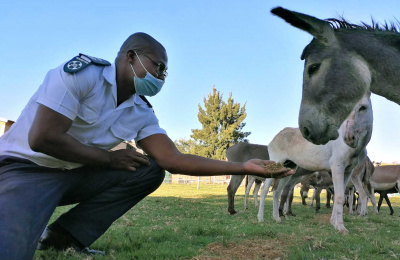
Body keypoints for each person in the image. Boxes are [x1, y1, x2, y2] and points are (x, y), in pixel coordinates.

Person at [0, 32, 293, 260]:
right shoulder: (80, 75)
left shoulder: (141, 110)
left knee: (148, 169)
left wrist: (242, 166)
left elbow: (173, 159)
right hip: (26, 170)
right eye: (159, 66)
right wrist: (108, 159)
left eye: (166, 72)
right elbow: (42, 138)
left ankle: (64, 237)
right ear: (131, 57)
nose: (163, 77)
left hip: (75, 173)